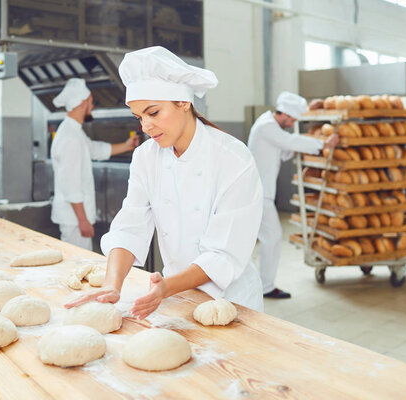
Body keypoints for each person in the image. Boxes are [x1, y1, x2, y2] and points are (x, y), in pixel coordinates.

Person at [65, 46, 264, 319]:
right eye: (139, 117)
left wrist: (167, 287)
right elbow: (130, 225)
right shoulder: (146, 157)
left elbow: (224, 252)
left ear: (183, 103)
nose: (145, 126)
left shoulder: (233, 158)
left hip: (232, 301)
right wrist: (113, 284)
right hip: (176, 297)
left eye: (153, 113)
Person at [248, 92, 338, 299]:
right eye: (293, 119)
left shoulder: (269, 125)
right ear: (286, 115)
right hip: (257, 192)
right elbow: (290, 142)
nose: (293, 123)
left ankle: (261, 285)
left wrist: (300, 148)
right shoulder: (266, 126)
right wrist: (324, 144)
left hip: (261, 191)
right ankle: (265, 287)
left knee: (267, 237)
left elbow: (284, 149)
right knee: (272, 237)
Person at [51, 78, 139, 250]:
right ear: (82, 103)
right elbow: (71, 184)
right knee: (78, 263)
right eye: (91, 103)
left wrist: (127, 145)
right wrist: (83, 220)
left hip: (74, 218)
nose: (92, 107)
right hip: (74, 220)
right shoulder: (70, 138)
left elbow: (94, 149)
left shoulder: (74, 132)